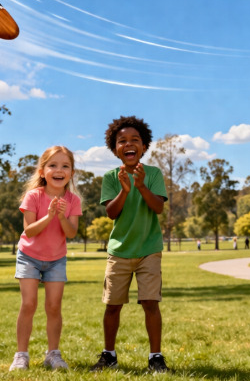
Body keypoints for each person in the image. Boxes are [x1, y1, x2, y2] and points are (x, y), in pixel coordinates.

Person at [89, 116, 169, 374]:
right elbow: (112, 213)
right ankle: (109, 355)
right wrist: (124, 190)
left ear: (144, 146)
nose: (129, 144)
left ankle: (156, 358)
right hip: (119, 251)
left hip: (149, 250)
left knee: (150, 303)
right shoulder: (112, 177)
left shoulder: (153, 173)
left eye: (135, 140)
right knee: (112, 305)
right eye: (122, 140)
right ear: (115, 150)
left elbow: (157, 207)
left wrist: (141, 186)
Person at [9, 146, 82, 372]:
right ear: (42, 171)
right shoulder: (34, 196)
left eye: (65, 166)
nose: (59, 170)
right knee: (29, 304)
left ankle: (53, 354)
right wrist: (49, 215)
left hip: (56, 259)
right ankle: (21, 355)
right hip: (29, 256)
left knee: (53, 307)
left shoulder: (73, 200)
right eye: (53, 165)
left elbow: (71, 233)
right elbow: (29, 231)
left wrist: (60, 216)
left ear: (71, 172)